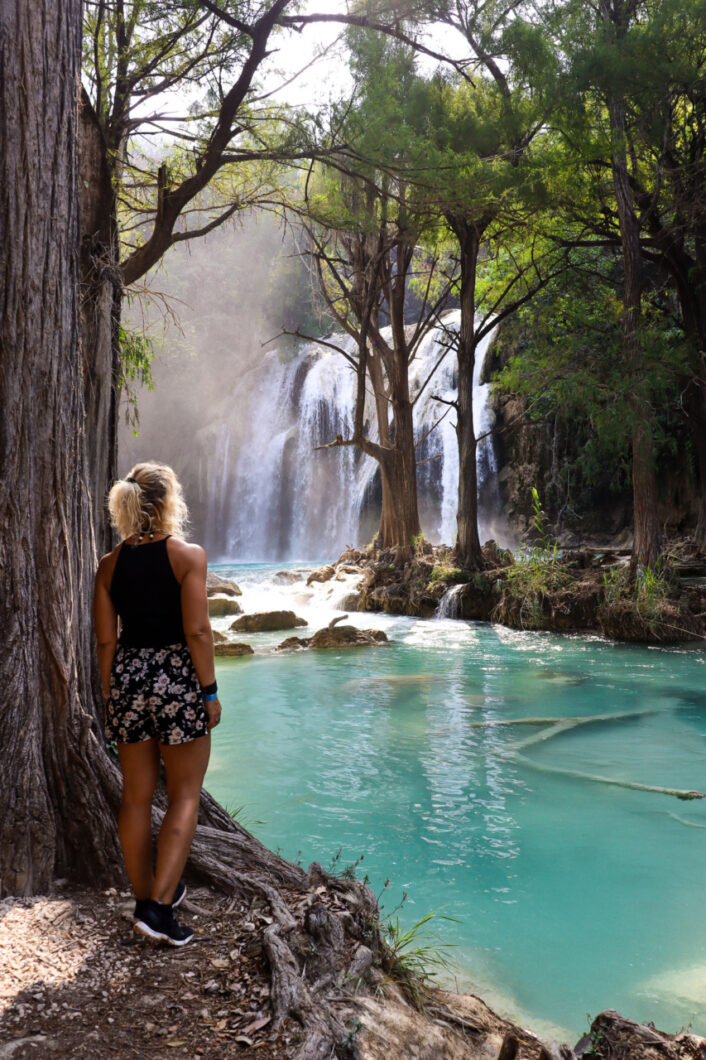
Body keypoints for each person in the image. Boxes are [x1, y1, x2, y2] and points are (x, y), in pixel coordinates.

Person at [93, 462, 221, 946]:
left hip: (127, 679)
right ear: (168, 502)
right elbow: (197, 631)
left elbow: (107, 643)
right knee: (185, 794)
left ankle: (146, 895)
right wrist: (208, 692)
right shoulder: (187, 556)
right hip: (177, 683)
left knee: (135, 796)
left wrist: (113, 695)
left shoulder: (109, 565)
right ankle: (160, 911)